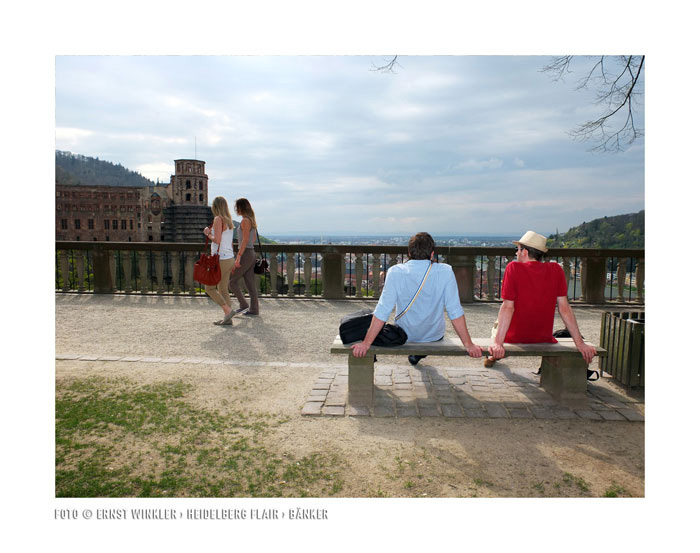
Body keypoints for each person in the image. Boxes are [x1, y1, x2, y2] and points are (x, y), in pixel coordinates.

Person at [350, 232, 482, 362]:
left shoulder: (395, 272)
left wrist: (367, 343)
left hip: (404, 335)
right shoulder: (446, 271)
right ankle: (417, 354)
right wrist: (468, 344)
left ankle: (416, 353)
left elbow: (382, 311)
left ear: (409, 253)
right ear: (431, 254)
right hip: (433, 335)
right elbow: (455, 311)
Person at [485, 230, 597, 366]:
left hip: (515, 337)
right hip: (543, 337)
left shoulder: (513, 268)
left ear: (524, 252)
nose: (516, 253)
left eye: (517, 249)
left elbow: (508, 307)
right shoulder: (556, 269)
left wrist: (498, 343)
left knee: (497, 325)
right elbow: (565, 308)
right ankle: (493, 355)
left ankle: (493, 355)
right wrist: (580, 343)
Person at [203, 196, 236, 325]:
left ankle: (228, 311)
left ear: (215, 207)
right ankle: (228, 318)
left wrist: (207, 233)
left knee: (209, 288)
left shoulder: (218, 219)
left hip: (220, 259)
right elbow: (229, 242)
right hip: (229, 258)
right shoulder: (229, 221)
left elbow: (217, 240)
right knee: (223, 289)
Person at [228, 198, 260, 316]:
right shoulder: (252, 220)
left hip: (246, 253)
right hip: (251, 252)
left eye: (237, 207)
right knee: (250, 282)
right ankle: (254, 309)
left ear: (241, 207)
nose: (236, 210)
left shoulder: (245, 221)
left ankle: (243, 304)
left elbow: (245, 240)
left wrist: (238, 256)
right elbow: (253, 239)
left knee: (231, 281)